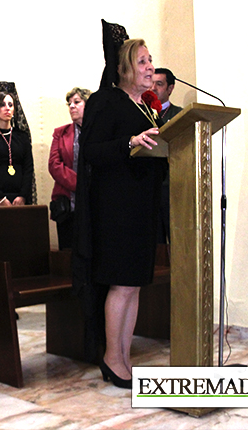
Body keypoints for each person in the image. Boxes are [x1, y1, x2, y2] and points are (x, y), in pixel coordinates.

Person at [76, 30, 166, 389]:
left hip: (142, 205)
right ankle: (113, 358)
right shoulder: (105, 101)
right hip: (116, 208)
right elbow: (93, 152)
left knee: (135, 285)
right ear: (125, 68)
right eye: (142, 61)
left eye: (150, 60)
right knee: (122, 284)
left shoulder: (146, 105)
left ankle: (125, 357)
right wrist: (131, 141)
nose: (150, 66)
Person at [48, 87, 91, 250]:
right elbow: (54, 165)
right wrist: (80, 184)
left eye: (77, 102)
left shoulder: (99, 132)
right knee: (68, 253)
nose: (72, 106)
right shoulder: (61, 133)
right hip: (67, 204)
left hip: (92, 202)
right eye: (69, 103)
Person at [152, 67, 182, 246]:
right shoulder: (142, 113)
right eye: (151, 83)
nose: (153, 88)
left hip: (172, 186)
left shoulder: (179, 115)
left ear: (170, 88)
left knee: (176, 240)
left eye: (159, 84)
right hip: (150, 185)